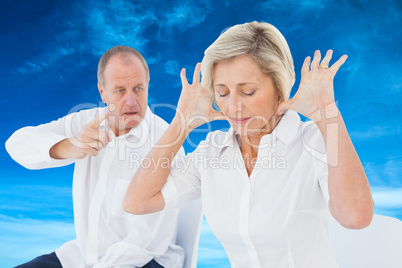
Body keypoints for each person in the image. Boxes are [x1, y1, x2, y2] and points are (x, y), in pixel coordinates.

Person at [123, 22, 374, 267]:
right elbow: (137, 202)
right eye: (222, 93)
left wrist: (327, 114)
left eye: (248, 91)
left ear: (279, 87)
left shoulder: (312, 141)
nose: (233, 106)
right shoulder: (212, 152)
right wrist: (181, 124)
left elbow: (355, 217)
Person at [6, 46, 184, 268]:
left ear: (148, 86)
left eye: (138, 88)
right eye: (120, 90)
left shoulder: (165, 142)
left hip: (145, 259)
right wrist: (70, 147)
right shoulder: (85, 122)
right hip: (83, 255)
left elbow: (146, 241)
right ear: (103, 93)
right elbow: (16, 143)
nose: (131, 101)